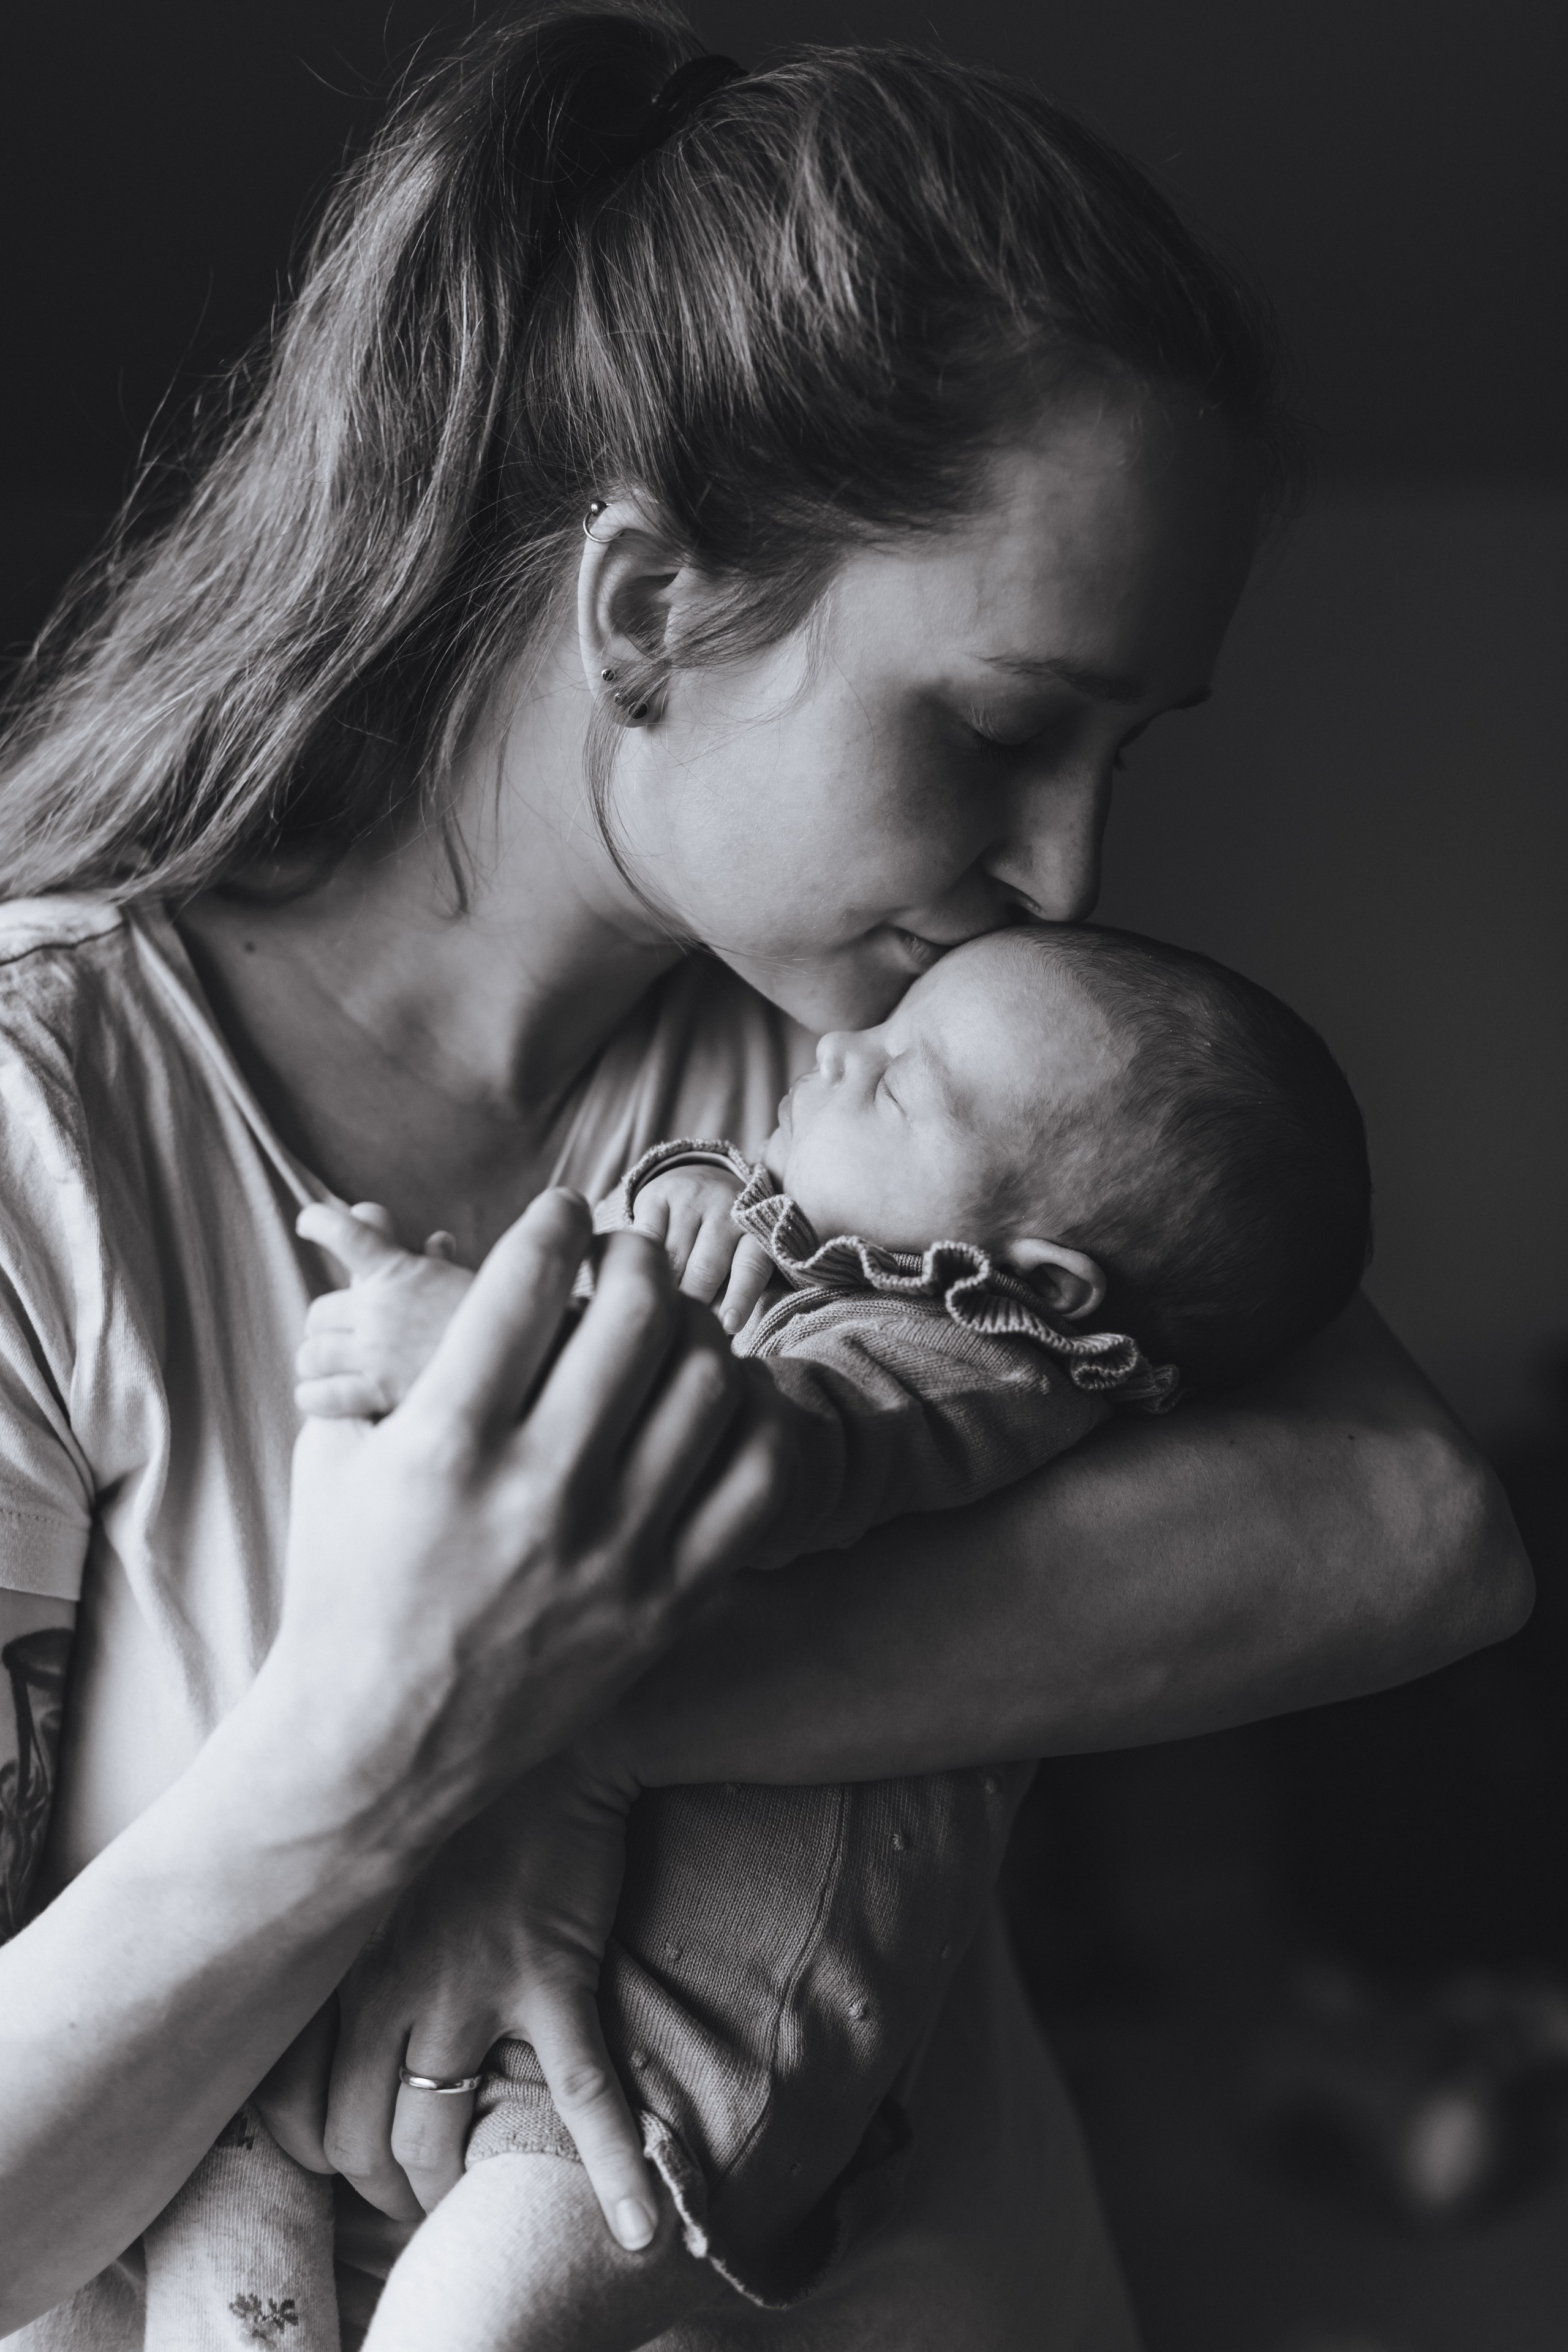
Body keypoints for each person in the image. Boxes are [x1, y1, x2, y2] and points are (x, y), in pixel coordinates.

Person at [0, 10, 1528, 2349]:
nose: (1068, 874)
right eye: (1005, 726)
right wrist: (379, 1768)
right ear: (644, 611)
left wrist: (565, 1724)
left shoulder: (911, 1070)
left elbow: (1415, 1530)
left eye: (1124, 754)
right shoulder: (48, 1120)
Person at [229, 919, 1371, 2352]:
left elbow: (746, 1452)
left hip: (682, 2057)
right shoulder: (847, 1277)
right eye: (881, 1027)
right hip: (559, 1992)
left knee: (460, 2323)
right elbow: (717, 1310)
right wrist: (690, 1213)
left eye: (898, 1081)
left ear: (1031, 1282)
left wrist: (476, 1341)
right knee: (238, 2159)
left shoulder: (971, 1370)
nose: (837, 1049)